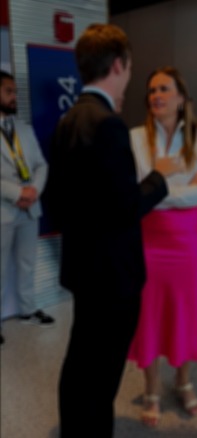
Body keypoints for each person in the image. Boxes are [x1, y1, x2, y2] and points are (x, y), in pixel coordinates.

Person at [45, 23, 182, 437]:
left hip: (83, 266)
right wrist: (159, 178)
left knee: (80, 361)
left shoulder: (70, 118)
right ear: (119, 64)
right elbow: (125, 207)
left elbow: (55, 202)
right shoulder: (108, 124)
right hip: (111, 275)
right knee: (100, 376)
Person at [126, 66, 197, 426]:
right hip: (146, 241)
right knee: (147, 315)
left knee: (183, 314)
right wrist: (183, 182)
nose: (156, 96)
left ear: (180, 97)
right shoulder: (135, 138)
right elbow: (135, 194)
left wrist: (161, 182)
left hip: (184, 243)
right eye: (151, 91)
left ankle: (183, 381)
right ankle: (151, 387)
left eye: (163, 89)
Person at [1, 70, 53, 345]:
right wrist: (18, 193)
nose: (14, 96)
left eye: (15, 91)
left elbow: (41, 165)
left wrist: (34, 191)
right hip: (4, 210)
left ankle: (27, 310)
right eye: (8, 91)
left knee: (27, 263)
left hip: (30, 208)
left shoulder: (25, 129)